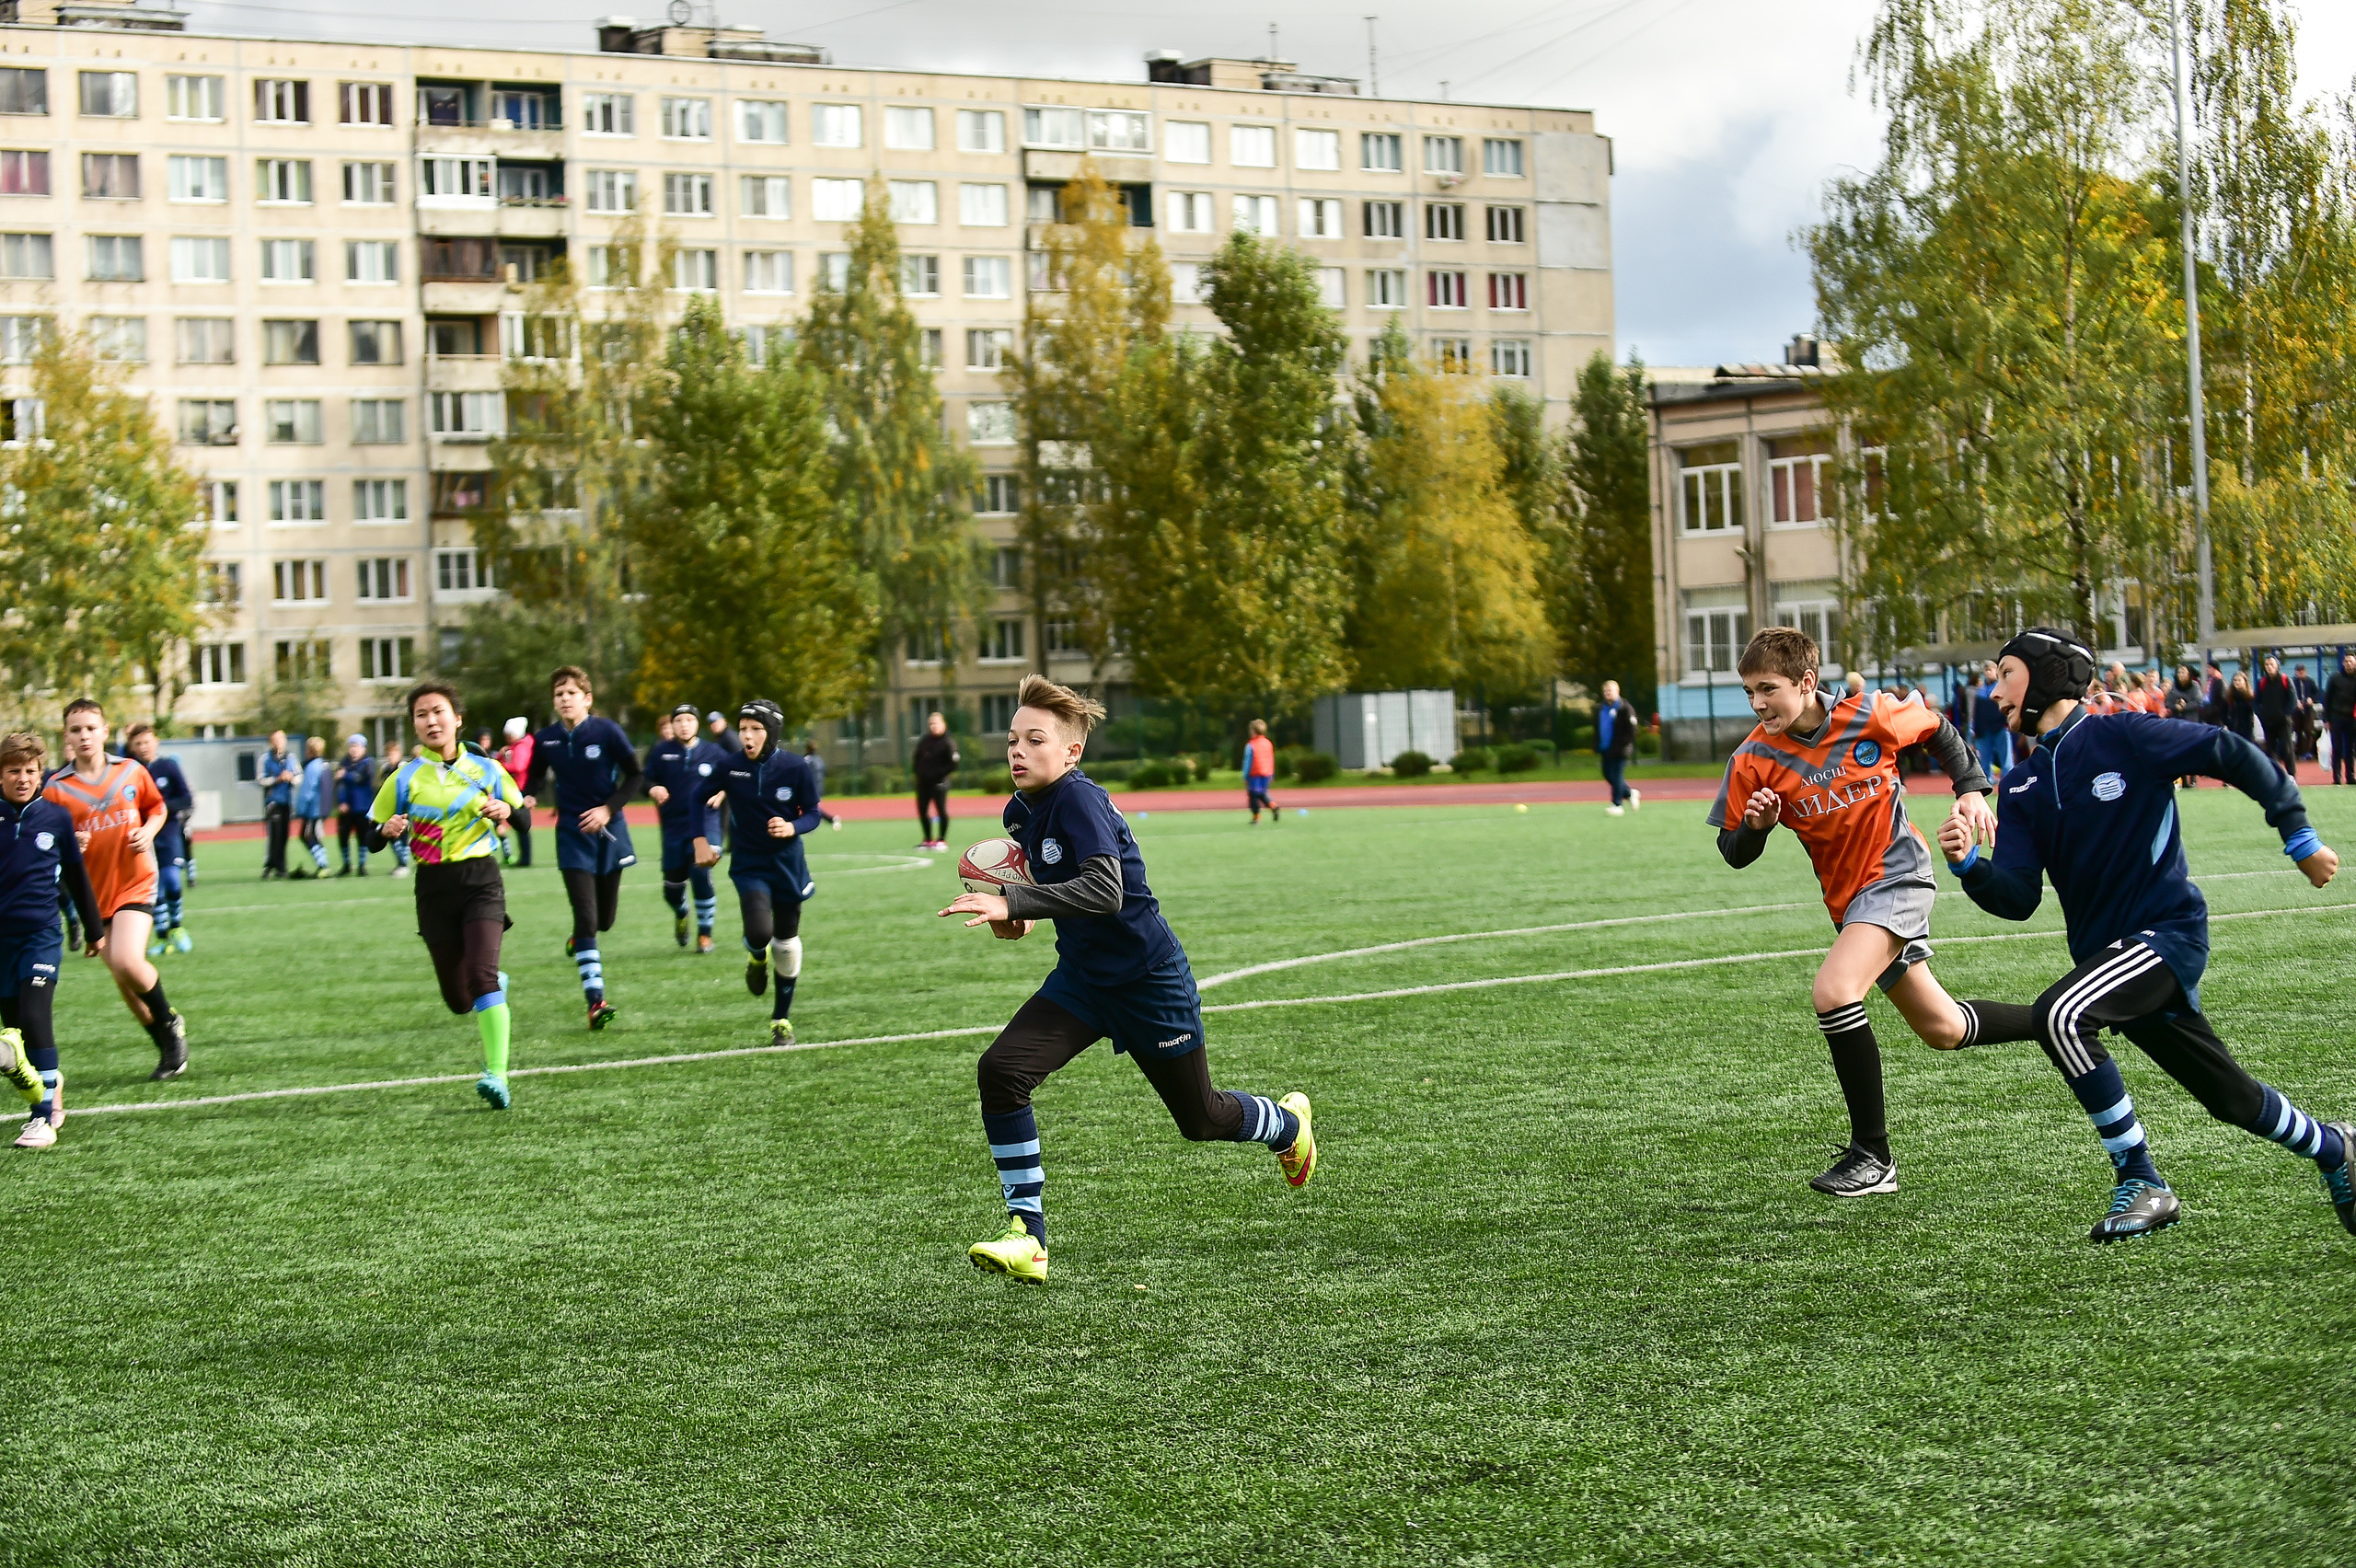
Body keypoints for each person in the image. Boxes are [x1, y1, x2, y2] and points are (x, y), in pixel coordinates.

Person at [1934, 628, 2350, 1242]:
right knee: (2232, 1101)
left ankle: (2142, 1177)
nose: (1993, 692)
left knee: (2060, 1015)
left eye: (2004, 675)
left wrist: (2299, 836)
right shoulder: (2020, 787)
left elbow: (2230, 753)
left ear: (2048, 675)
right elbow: (2019, 898)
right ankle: (2334, 1147)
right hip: (2115, 960)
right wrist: (1972, 868)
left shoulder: (2124, 735)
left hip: (2169, 934)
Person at [939, 675, 1315, 1285]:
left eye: (1036, 740)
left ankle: (1288, 1126)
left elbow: (1105, 891)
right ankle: (1027, 1236)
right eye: (1012, 738)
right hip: (1084, 982)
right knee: (1003, 1071)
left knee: (1202, 1119)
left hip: (1148, 981)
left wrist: (1013, 903)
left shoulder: (1079, 801)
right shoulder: (1022, 811)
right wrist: (1018, 917)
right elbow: (1053, 891)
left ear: (1071, 753)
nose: (1018, 751)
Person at [1704, 627, 2005, 1198]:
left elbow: (1937, 728)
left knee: (1834, 990)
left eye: (1767, 688)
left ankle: (1873, 1154)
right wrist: (1755, 829)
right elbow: (1733, 853)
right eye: (1749, 692)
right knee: (1942, 1027)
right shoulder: (1751, 761)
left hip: (1899, 875)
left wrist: (1970, 787)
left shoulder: (1871, 716)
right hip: (1849, 903)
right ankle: (2058, 1021)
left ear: (1807, 682)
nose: (1757, 703)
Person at [364, 682, 525, 1110]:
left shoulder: (487, 769)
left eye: (438, 711)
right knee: (458, 1000)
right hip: (433, 889)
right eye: (421, 714)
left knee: (481, 978)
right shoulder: (404, 777)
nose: (431, 720)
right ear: (414, 725)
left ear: (457, 719)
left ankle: (497, 1074)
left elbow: (524, 820)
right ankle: (492, 984)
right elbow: (370, 837)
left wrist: (508, 811)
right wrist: (385, 831)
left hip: (481, 881)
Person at [44, 699, 187, 1080]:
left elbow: (157, 809)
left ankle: (171, 1024)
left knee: (126, 959)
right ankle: (166, 1047)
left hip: (135, 881)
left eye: (91, 727)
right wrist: (70, 844)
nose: (84, 735)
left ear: (105, 731)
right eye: (76, 729)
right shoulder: (56, 789)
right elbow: (48, 842)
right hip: (92, 894)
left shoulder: (131, 771)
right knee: (123, 979)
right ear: (67, 737)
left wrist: (148, 831)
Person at [698, 699, 821, 1043]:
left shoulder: (796, 768)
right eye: (743, 729)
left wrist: (792, 826)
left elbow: (812, 812)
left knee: (786, 943)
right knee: (759, 932)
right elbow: (698, 798)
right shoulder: (730, 766)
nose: (747, 736)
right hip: (749, 865)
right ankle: (755, 957)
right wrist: (700, 841)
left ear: (772, 733)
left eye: (755, 729)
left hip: (788, 867)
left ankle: (781, 1019)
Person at [1, 732, 102, 1148]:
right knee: (16, 1034)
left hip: (41, 935)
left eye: (30, 771)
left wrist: (94, 929)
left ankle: (41, 1118)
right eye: (13, 771)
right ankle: (47, 1085)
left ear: (41, 774)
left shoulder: (57, 817)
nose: (23, 778)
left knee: (36, 1015)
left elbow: (77, 876)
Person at [523, 666, 638, 1031]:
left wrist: (608, 809)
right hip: (571, 835)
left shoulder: (607, 731)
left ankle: (579, 937)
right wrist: (527, 796)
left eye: (571, 693)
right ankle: (595, 1001)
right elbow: (537, 776)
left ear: (587, 698)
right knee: (587, 918)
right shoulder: (546, 739)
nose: (564, 699)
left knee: (604, 920)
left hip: (610, 833)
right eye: (558, 694)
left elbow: (635, 774)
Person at [645, 703, 725, 953]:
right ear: (673, 725)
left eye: (689, 720)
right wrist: (653, 788)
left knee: (701, 871)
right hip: (673, 828)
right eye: (678, 721)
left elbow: (734, 776)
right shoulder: (660, 752)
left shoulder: (714, 752)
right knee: (672, 890)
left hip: (705, 823)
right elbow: (644, 778)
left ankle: (705, 934)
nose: (683, 725)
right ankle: (681, 913)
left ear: (697, 724)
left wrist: (723, 792)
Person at [125, 725, 194, 955]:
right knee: (155, 890)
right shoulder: (129, 771)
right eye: (138, 743)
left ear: (156, 742)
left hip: (168, 833)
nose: (143, 747)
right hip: (142, 837)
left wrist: (161, 809)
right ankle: (162, 937)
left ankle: (177, 927)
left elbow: (186, 798)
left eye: (147, 742)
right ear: (132, 747)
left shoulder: (168, 766)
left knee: (172, 880)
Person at [912, 711, 957, 851]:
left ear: (943, 724)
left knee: (941, 810)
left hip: (940, 783)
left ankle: (942, 839)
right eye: (930, 724)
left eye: (936, 723)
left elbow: (953, 763)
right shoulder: (925, 740)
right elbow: (917, 758)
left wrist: (938, 774)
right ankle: (927, 839)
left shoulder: (947, 742)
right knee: (923, 811)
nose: (933, 726)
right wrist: (918, 772)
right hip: (923, 782)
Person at [334, 735, 377, 877]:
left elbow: (361, 778)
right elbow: (339, 786)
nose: (353, 749)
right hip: (347, 807)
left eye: (356, 746)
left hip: (362, 806)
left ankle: (362, 865)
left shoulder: (368, 763)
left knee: (363, 836)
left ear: (363, 748)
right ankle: (346, 864)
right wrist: (341, 802)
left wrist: (345, 774)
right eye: (351, 746)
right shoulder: (344, 762)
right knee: (343, 835)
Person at [258, 730, 298, 879]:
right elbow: (261, 780)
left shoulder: (291, 758)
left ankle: (281, 866)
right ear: (271, 742)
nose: (278, 743)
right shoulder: (265, 759)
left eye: (281, 739)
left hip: (287, 802)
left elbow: (299, 776)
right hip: (273, 802)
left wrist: (291, 778)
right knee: (274, 835)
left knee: (284, 835)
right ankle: (271, 865)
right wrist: (277, 779)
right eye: (275, 740)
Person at [291, 735, 332, 878]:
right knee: (311, 836)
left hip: (313, 810)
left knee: (308, 836)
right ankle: (322, 864)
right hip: (321, 808)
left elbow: (307, 791)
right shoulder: (323, 764)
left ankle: (323, 865)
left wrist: (300, 809)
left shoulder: (312, 767)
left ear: (310, 750)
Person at [1596, 681, 1640, 815]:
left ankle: (1617, 804)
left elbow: (1632, 729)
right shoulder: (1600, 708)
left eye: (1610, 691)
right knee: (1608, 774)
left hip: (1620, 749)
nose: (1607, 694)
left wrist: (1624, 743)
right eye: (1605, 691)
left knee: (1616, 775)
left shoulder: (1624, 708)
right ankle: (1629, 793)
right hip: (1606, 747)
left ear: (1617, 691)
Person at [495, 719, 535, 868]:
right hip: (517, 788)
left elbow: (518, 766)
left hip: (520, 788)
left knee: (522, 824)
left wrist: (500, 765)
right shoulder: (516, 746)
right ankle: (525, 857)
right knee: (520, 824)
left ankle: (526, 858)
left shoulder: (521, 747)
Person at [1969, 661, 2012, 780]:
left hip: (2000, 728)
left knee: (2006, 759)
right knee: (1984, 759)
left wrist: (2006, 723)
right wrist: (1976, 730)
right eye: (1986, 670)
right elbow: (1976, 712)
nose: (1988, 673)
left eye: (1990, 670)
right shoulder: (1981, 691)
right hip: (1984, 730)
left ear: (1996, 671)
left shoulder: (2002, 688)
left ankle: (2008, 781)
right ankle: (1986, 781)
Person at [2255, 653, 2296, 773]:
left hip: (2283, 722)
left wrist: (2286, 714)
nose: (2269, 667)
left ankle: (2291, 775)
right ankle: (2275, 776)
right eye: (2267, 665)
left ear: (2277, 665)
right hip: (2268, 722)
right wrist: (2261, 714)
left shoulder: (2285, 680)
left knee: (2287, 749)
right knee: (2270, 751)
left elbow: (2292, 700)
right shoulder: (2262, 682)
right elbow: (2256, 701)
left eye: (2271, 664)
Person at [379, 742, 410, 878]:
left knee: (402, 835)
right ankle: (400, 863)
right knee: (391, 835)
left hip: (402, 807)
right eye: (388, 754)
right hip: (390, 807)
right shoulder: (385, 768)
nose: (391, 757)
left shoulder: (403, 767)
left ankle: (404, 864)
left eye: (393, 754)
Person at [2325, 651, 2356, 786]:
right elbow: (2327, 698)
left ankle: (2351, 776)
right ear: (2343, 663)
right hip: (2336, 717)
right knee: (2337, 748)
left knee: (2351, 749)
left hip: (2352, 719)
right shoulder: (2335, 678)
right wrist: (2326, 719)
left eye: (2351, 662)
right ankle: (2336, 777)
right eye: (2346, 662)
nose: (2349, 664)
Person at [1242, 719, 1279, 824]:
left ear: (1253, 731)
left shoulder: (1251, 745)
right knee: (1262, 793)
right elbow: (1271, 759)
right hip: (1266, 773)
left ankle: (1256, 817)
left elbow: (1247, 762)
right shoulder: (1268, 743)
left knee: (1253, 795)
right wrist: (1272, 773)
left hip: (1255, 773)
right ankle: (1273, 805)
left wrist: (1245, 776)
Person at [802, 740, 842, 831]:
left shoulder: (807, 759)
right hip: (819, 786)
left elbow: (803, 773)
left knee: (811, 807)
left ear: (806, 749)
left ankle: (831, 819)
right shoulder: (820, 759)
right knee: (812, 806)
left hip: (810, 787)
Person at [2225, 670, 2258, 746]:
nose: (2237, 682)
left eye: (2239, 680)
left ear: (2245, 681)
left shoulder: (2250, 697)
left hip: (2247, 729)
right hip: (2234, 728)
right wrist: (2229, 722)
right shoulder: (2230, 696)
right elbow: (2224, 712)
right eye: (2235, 680)